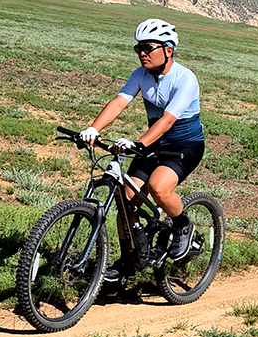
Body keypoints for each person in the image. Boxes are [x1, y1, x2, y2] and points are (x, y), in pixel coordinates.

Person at [78, 18, 205, 283]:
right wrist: (93, 129)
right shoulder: (140, 75)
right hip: (153, 144)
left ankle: (182, 225)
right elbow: (118, 102)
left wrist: (139, 143)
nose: (142, 54)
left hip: (184, 145)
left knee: (159, 187)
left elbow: (168, 120)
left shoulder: (185, 78)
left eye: (148, 48)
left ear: (168, 50)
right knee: (126, 200)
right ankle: (129, 262)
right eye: (139, 49)